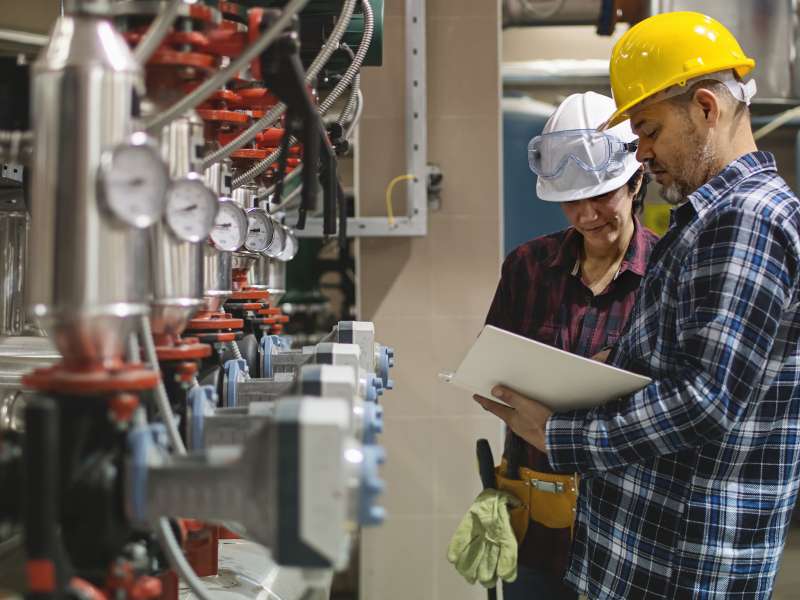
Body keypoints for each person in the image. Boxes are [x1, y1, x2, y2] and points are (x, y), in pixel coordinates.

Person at [475, 11, 800, 600]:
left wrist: (562, 435)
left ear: (706, 107)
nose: (642, 152)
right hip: (648, 554)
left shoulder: (746, 220)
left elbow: (705, 400)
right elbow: (686, 371)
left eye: (648, 130)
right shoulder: (709, 221)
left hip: (684, 562)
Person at [447, 91, 658, 597]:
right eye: (571, 200)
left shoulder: (668, 272)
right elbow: (493, 364)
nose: (585, 216)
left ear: (634, 182)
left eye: (600, 197)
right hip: (536, 522)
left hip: (629, 526)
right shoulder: (527, 267)